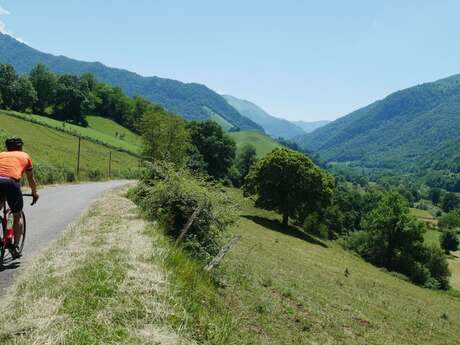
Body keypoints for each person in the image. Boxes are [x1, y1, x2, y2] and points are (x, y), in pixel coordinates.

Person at [0, 137, 39, 258]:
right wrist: (34, 193)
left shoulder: (1, 154)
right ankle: (15, 246)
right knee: (17, 214)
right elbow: (30, 179)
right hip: (11, 183)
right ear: (21, 147)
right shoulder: (25, 156)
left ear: (7, 147)